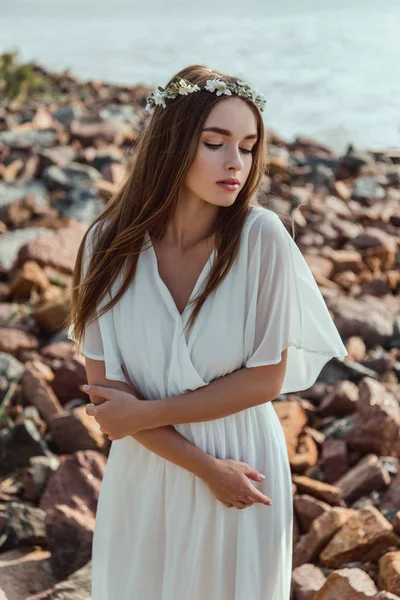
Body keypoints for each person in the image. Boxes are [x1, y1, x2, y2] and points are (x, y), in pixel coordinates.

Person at [66, 64, 348, 600]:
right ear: (172, 143)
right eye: (215, 142)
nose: (235, 163)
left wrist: (149, 418)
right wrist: (201, 466)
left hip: (243, 467)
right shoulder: (105, 244)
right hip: (148, 471)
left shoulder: (261, 238)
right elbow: (109, 402)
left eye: (247, 146)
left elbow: (265, 380)